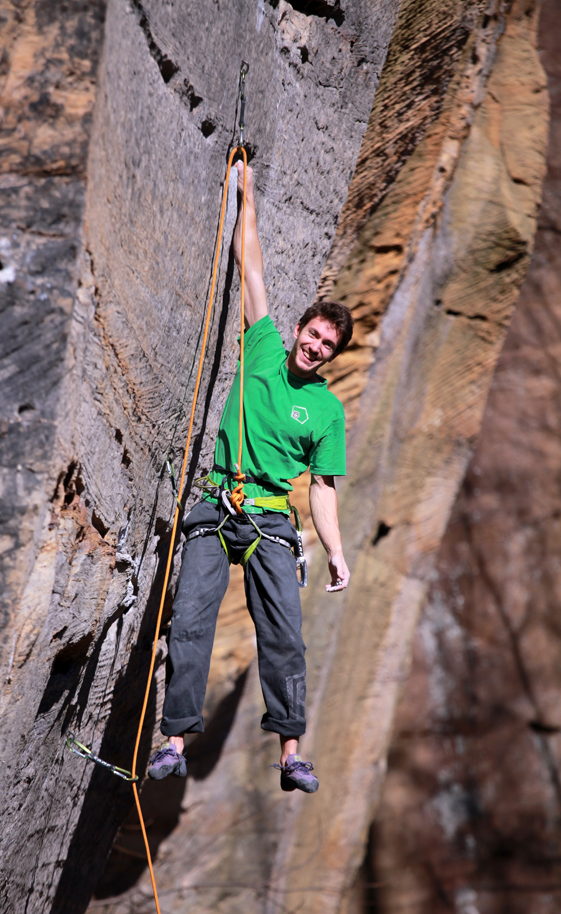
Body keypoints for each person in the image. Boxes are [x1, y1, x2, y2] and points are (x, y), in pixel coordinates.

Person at [148, 161, 352, 793]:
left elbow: (323, 488)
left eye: (327, 347)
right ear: (298, 329)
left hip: (268, 517)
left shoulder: (326, 410)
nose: (315, 347)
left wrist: (338, 554)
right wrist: (247, 193)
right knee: (191, 620)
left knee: (284, 635)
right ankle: (174, 740)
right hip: (217, 498)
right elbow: (251, 266)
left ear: (332, 358)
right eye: (314, 334)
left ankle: (293, 753)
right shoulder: (263, 343)